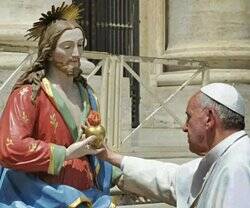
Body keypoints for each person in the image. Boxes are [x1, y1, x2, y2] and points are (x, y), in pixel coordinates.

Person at [0, 3, 120, 208]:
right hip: (42, 194)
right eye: (67, 47)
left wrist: (117, 170)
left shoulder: (88, 95)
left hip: (88, 193)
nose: (76, 53)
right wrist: (65, 154)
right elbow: (10, 148)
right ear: (48, 50)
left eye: (80, 45)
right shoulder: (28, 95)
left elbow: (92, 151)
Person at [98, 82, 250, 208]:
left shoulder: (236, 168)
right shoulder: (226, 156)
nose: (184, 127)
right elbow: (173, 180)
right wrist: (112, 157)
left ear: (209, 119)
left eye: (189, 117)